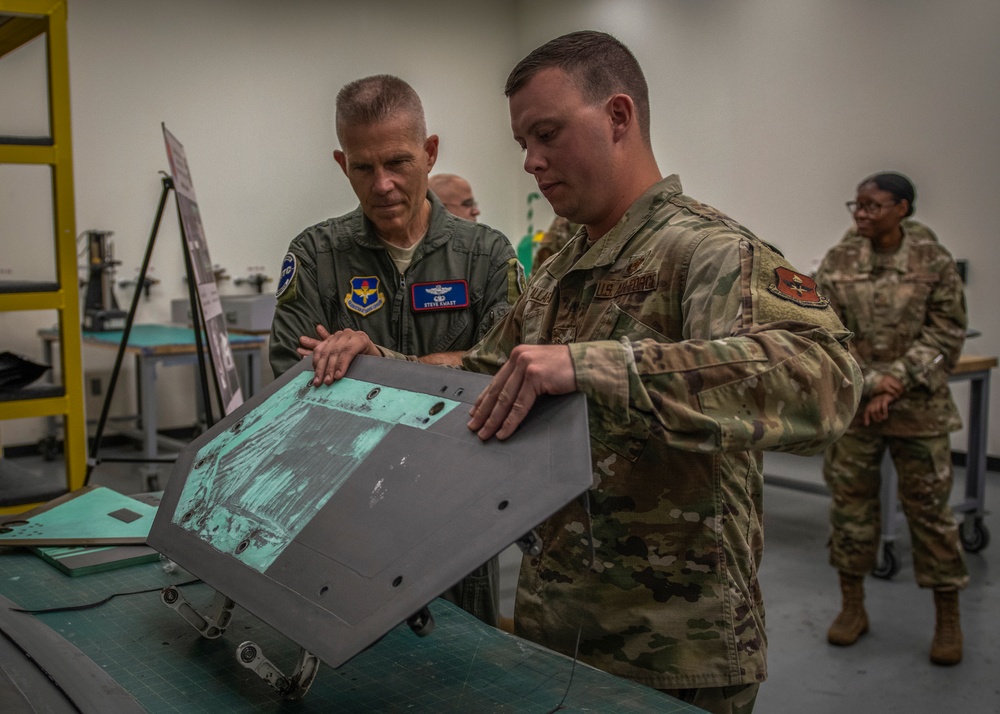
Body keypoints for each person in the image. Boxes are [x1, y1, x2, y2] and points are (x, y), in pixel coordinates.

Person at [305, 32, 861, 713]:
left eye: (547, 134)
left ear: (619, 117)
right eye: (523, 145)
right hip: (558, 627)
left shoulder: (707, 252)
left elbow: (828, 383)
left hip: (673, 654)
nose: (533, 162)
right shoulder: (565, 260)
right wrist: (379, 364)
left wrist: (596, 366)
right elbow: (491, 372)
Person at [269, 74, 525, 628]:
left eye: (398, 162)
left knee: (465, 671)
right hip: (350, 519)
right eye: (363, 167)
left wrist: (367, 363)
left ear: (429, 153)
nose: (382, 184)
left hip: (459, 515)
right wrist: (451, 368)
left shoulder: (485, 255)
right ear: (343, 164)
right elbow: (291, 387)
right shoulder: (316, 255)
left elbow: (504, 373)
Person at [814, 172, 968, 666]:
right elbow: (821, 332)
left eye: (872, 206)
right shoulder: (838, 262)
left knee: (930, 516)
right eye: (855, 205)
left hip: (918, 411)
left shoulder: (933, 262)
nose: (860, 214)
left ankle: (948, 619)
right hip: (857, 408)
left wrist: (895, 380)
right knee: (850, 511)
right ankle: (852, 608)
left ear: (902, 208)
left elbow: (947, 332)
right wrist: (870, 384)